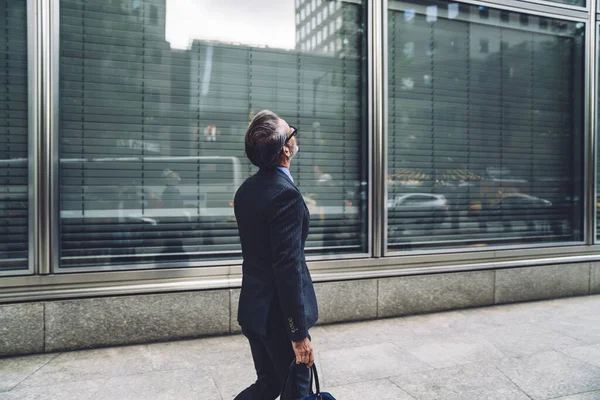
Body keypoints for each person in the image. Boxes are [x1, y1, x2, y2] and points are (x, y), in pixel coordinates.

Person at [234, 110, 318, 400]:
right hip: (279, 318)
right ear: (286, 150)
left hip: (254, 310)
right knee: (296, 391)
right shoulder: (286, 195)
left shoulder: (247, 190)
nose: (294, 130)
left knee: (268, 385)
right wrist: (298, 335)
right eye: (291, 130)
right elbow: (288, 267)